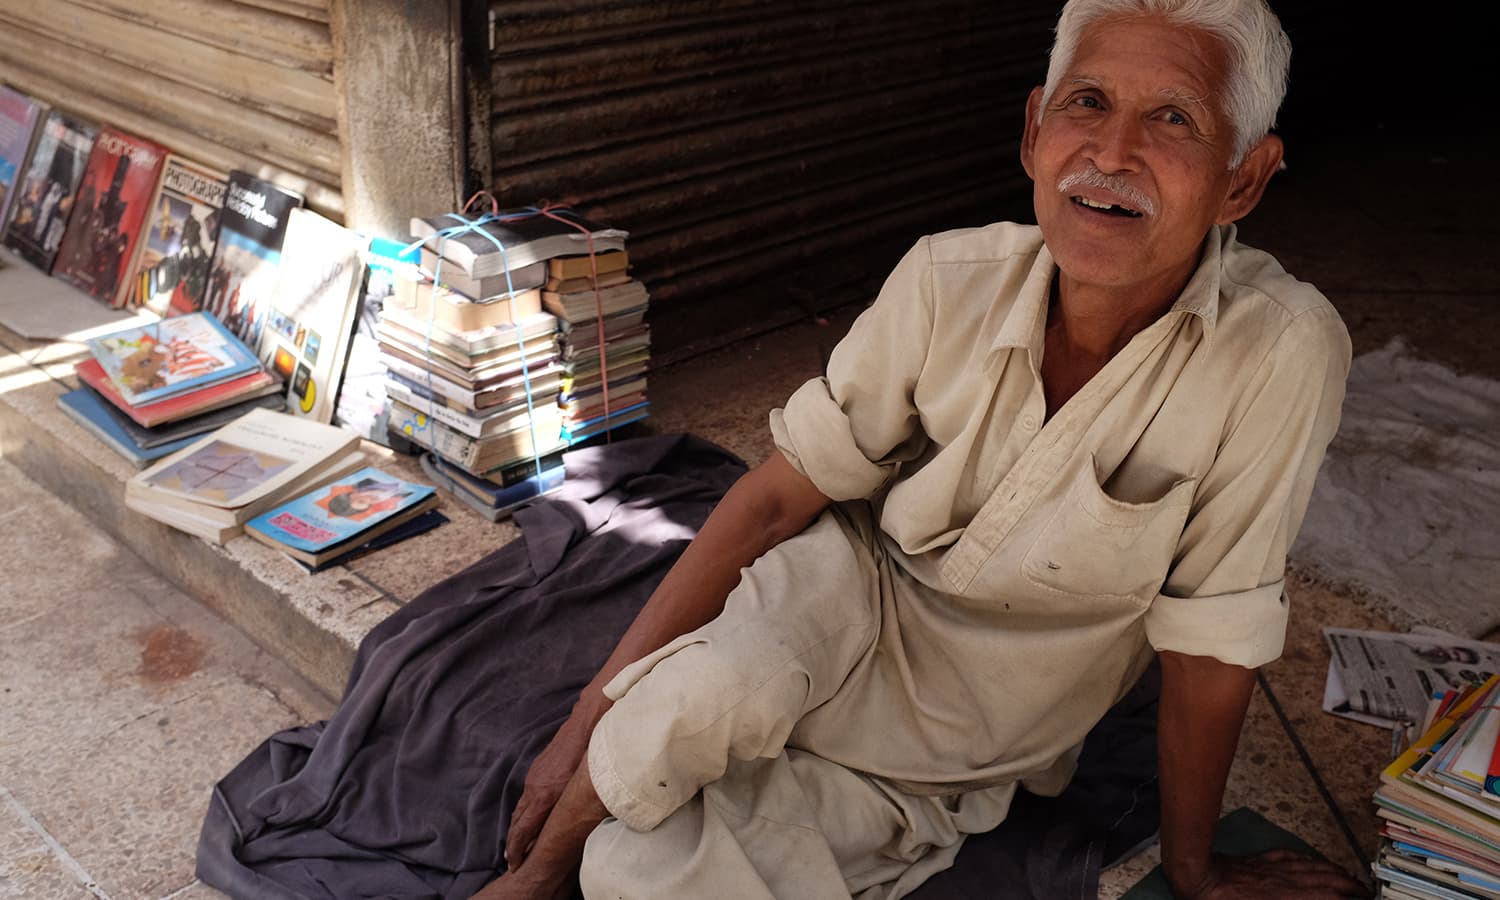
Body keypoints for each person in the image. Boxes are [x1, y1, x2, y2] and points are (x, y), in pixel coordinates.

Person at [481, 1, 1369, 897]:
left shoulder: (1277, 350)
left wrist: (1194, 873)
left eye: (1172, 118)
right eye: (1088, 103)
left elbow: (1213, 645)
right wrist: (577, 732)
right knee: (690, 697)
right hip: (853, 595)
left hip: (972, 731)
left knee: (635, 870)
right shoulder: (949, 279)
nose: (1111, 153)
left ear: (1242, 182)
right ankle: (527, 882)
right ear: (1033, 132)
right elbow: (780, 496)